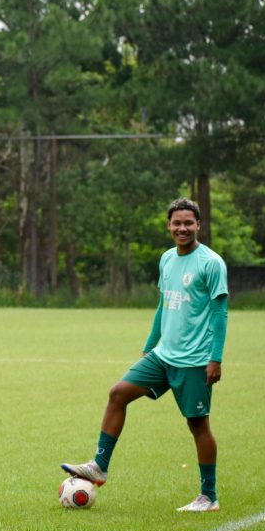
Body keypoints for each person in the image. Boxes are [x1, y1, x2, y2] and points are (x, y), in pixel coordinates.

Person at [61, 197, 228, 512]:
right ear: (169, 226)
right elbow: (163, 305)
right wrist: (149, 347)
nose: (182, 228)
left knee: (198, 424)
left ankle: (209, 496)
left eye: (188, 223)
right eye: (176, 223)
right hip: (163, 356)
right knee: (118, 393)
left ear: (198, 225)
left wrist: (215, 358)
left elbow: (220, 314)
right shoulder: (166, 259)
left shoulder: (211, 263)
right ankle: (99, 466)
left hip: (194, 360)